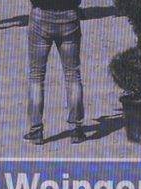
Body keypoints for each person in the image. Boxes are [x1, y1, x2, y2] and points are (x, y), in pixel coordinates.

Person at [26, 0, 85, 144]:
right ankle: (76, 128)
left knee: (36, 76)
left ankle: (36, 129)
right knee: (72, 75)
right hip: (69, 15)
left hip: (41, 15)